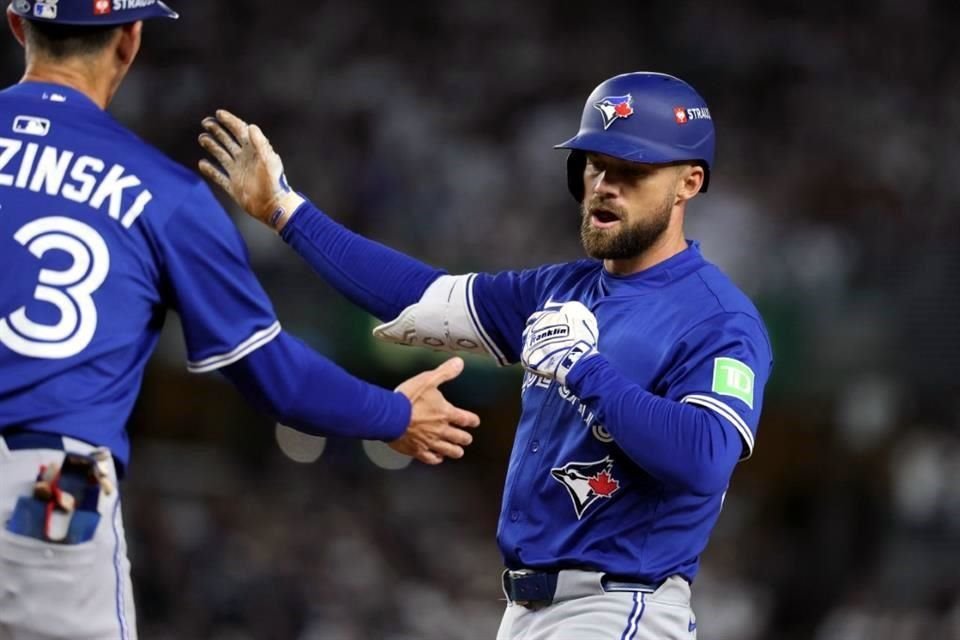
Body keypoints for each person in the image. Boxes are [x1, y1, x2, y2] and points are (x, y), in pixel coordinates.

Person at [199, 71, 773, 639]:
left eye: (634, 170)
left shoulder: (719, 318)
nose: (605, 185)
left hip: (620, 607)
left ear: (688, 183)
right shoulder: (560, 289)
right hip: (530, 610)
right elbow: (421, 298)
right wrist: (284, 210)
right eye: (596, 164)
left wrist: (583, 368)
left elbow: (705, 456)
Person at [0, 2, 480, 639]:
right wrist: (394, 414)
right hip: (52, 482)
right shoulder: (163, 193)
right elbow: (272, 375)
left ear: (17, 25)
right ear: (130, 39)